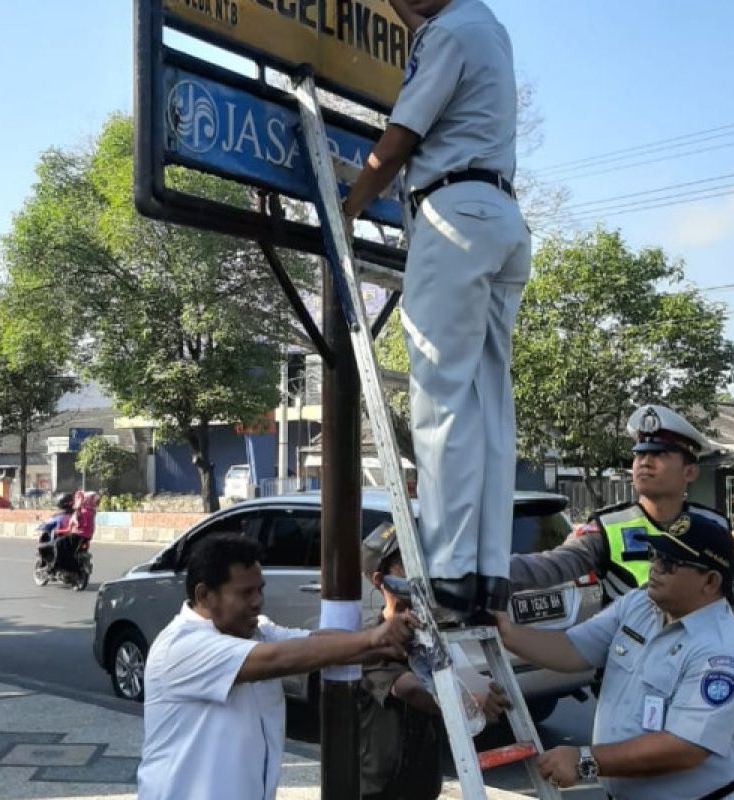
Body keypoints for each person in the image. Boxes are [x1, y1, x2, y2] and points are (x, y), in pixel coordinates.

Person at [341, 0, 530, 622]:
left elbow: (399, 139)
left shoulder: (447, 32)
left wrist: (350, 205)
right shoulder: (489, 29)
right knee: (488, 401)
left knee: (441, 395)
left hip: (454, 217)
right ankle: (485, 572)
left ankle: (447, 570)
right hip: (502, 217)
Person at [509, 404, 734, 767]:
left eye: (660, 454)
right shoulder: (606, 527)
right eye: (639, 454)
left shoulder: (713, 529)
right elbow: (549, 566)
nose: (644, 463)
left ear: (690, 471)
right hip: (628, 682)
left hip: (693, 676)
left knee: (690, 769)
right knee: (629, 766)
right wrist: (487, 576)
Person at [498, 513, 734, 799]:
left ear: (710, 582)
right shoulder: (641, 604)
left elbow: (684, 749)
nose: (655, 567)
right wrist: (506, 632)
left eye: (671, 563)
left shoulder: (721, 654)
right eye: (655, 555)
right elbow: (573, 648)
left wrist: (586, 760)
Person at [137, 534, 416, 800]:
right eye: (245, 593)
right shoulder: (182, 647)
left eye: (260, 590)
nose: (257, 602)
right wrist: (372, 638)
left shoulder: (255, 631)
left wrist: (387, 641)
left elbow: (314, 642)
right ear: (204, 595)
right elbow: (278, 658)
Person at [358, 523, 510, 800]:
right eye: (406, 564)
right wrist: (470, 702)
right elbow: (412, 690)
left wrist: (490, 695)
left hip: (423, 788)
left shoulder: (436, 633)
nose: (421, 571)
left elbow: (466, 678)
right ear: (380, 580)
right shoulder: (371, 641)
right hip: (377, 791)